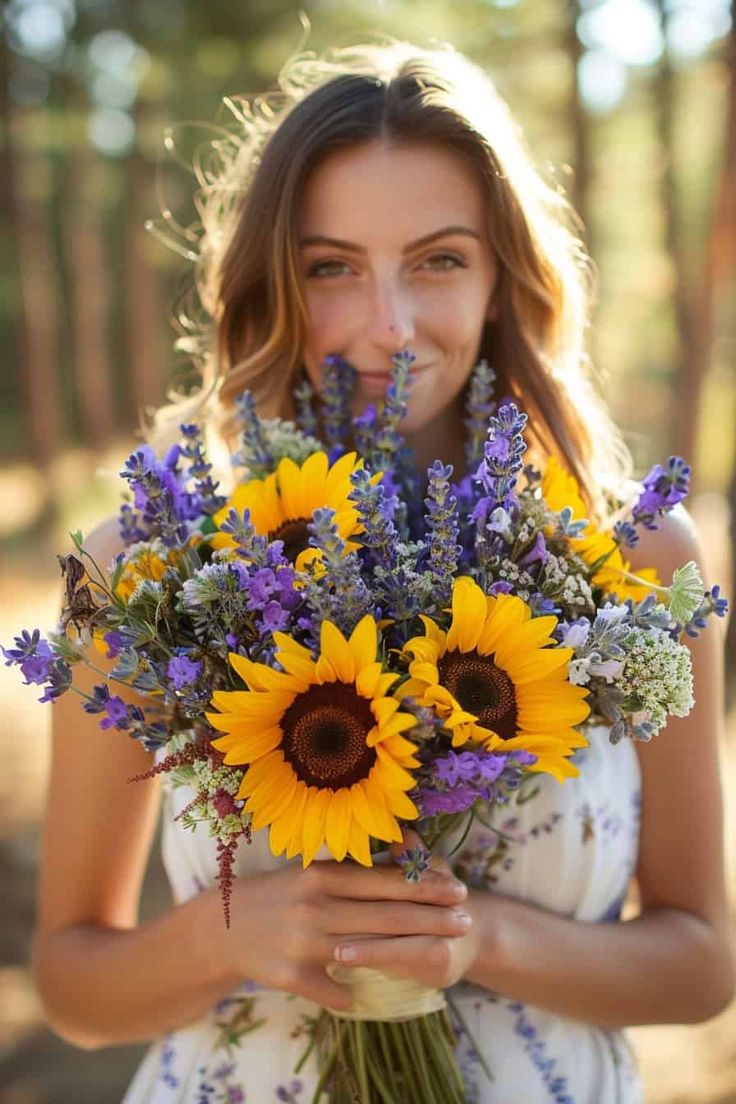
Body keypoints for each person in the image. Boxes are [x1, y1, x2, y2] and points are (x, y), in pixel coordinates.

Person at [32, 39, 733, 1103]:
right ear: (271, 281)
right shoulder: (146, 573)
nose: (387, 327)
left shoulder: (635, 565)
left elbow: (699, 962)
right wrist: (236, 933)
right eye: (331, 267)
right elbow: (75, 989)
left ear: (504, 279)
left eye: (439, 259)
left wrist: (472, 936)